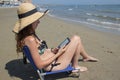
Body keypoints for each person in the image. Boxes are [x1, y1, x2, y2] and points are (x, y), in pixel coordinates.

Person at [13, 3, 98, 73]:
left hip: (53, 58)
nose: (39, 21)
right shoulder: (30, 40)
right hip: (54, 65)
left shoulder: (29, 35)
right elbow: (40, 65)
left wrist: (52, 50)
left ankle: (85, 57)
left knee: (74, 40)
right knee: (76, 38)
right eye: (36, 19)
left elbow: (40, 52)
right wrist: (58, 54)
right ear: (29, 22)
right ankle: (75, 66)